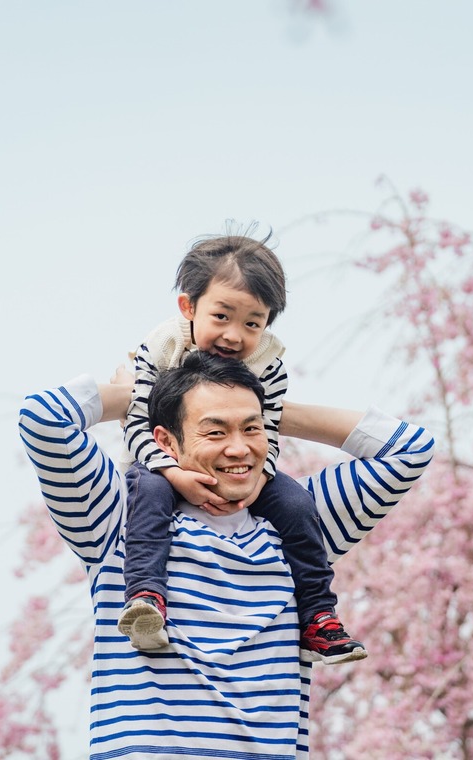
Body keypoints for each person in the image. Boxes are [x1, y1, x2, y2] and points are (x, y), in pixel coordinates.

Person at [19, 351, 433, 759]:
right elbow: (43, 419)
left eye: (251, 430)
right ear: (166, 440)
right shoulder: (118, 518)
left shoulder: (300, 525)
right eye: (215, 432)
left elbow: (411, 449)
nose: (239, 449)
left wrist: (270, 410)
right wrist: (132, 395)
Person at [119, 232, 365, 663]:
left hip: (239, 472)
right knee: (149, 496)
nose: (234, 336)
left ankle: (317, 615)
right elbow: (138, 424)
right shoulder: (161, 348)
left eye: (252, 323)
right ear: (188, 307)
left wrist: (259, 482)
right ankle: (145, 596)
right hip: (161, 461)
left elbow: (265, 432)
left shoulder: (268, 366)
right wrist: (173, 473)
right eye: (221, 316)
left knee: (296, 504)